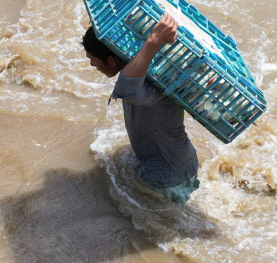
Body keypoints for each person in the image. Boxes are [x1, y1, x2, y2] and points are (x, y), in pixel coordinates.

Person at [83, 13, 200, 203]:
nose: (91, 64)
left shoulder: (144, 89)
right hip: (179, 162)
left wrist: (154, 40)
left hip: (167, 175)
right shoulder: (150, 67)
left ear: (111, 61)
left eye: (93, 59)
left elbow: (124, 87)